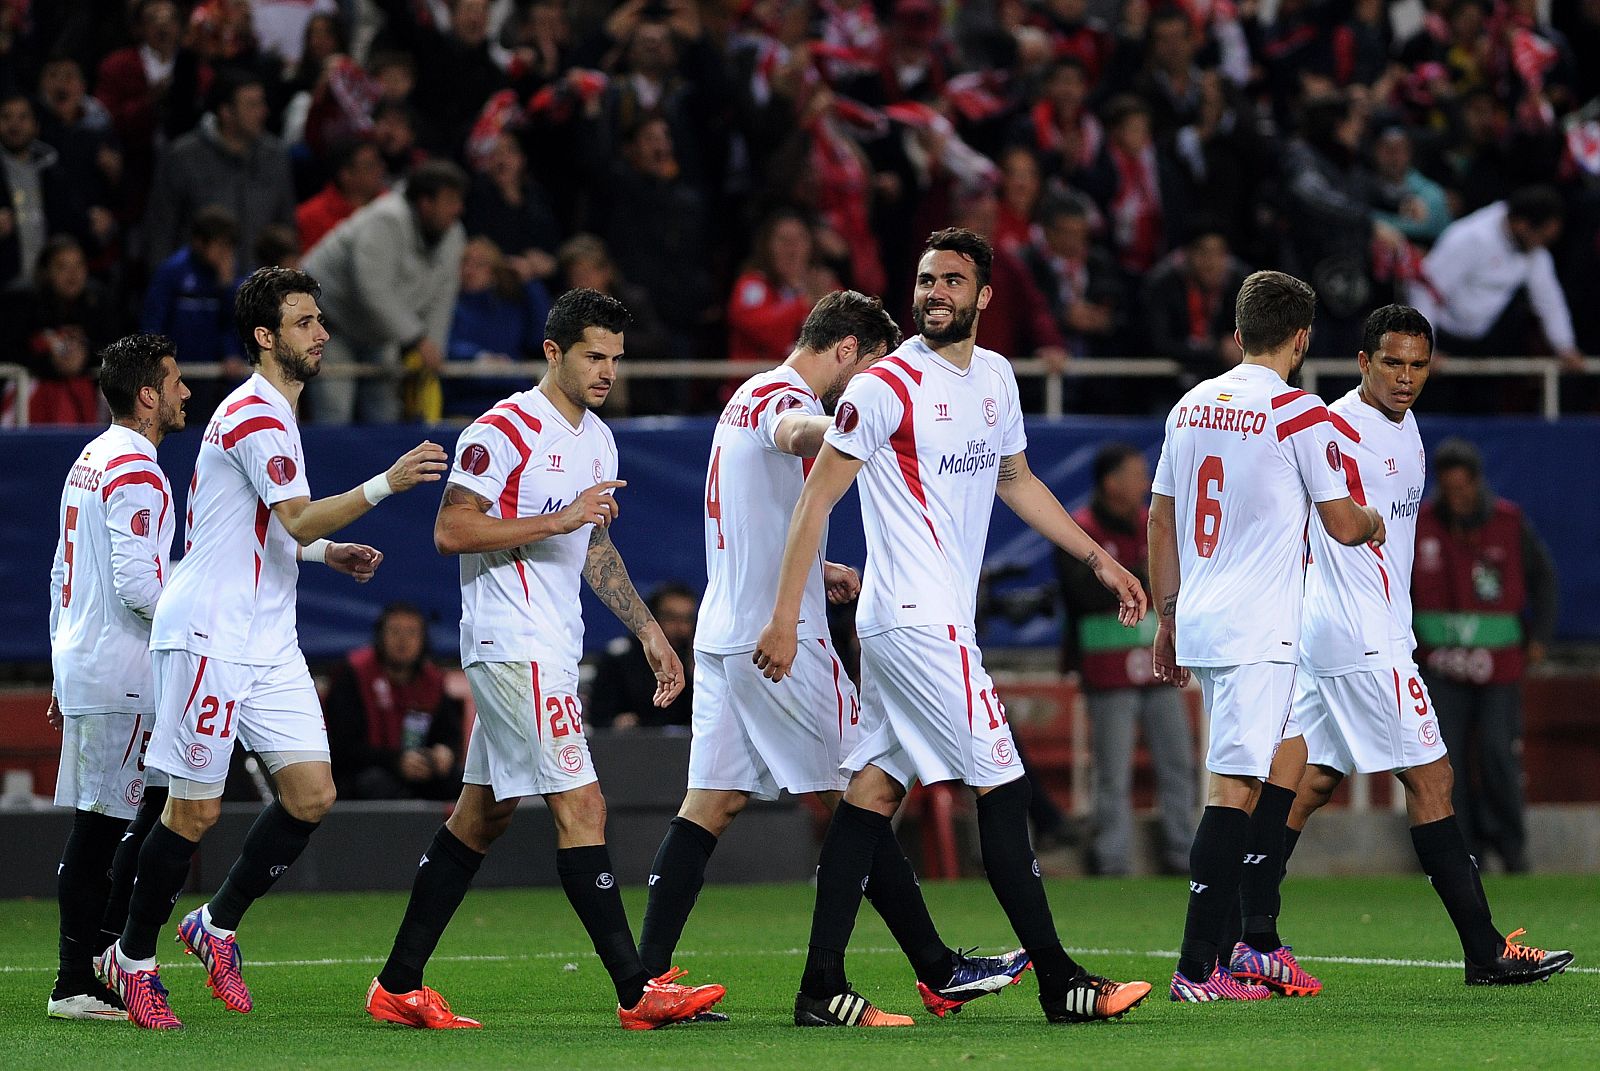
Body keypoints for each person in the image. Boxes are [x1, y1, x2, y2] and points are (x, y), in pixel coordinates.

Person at [754, 229, 1152, 1026]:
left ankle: (820, 985)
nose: (935, 291)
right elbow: (813, 503)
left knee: (870, 792)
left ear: (984, 297)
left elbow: (1017, 479)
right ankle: (1060, 981)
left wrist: (1099, 557)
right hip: (915, 622)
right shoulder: (883, 386)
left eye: (952, 280)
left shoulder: (998, 377)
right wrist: (786, 619)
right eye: (927, 278)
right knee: (1003, 786)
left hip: (930, 622)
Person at [640, 290, 1032, 1020]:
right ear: (848, 350)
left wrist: (819, 567)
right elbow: (797, 433)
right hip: (778, 640)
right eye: (872, 369)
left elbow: (751, 511)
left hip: (726, 628)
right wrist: (862, 423)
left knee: (712, 802)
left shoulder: (738, 398)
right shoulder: (780, 396)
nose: (871, 385)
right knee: (864, 792)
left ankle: (645, 983)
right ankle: (930, 968)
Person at [95, 267, 449, 1031]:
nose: (321, 333)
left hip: (268, 638)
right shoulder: (255, 412)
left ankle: (214, 924)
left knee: (312, 794)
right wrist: (386, 484)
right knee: (193, 813)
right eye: (304, 321)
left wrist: (328, 554)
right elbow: (290, 518)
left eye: (320, 319)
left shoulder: (278, 414)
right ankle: (131, 958)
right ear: (265, 336)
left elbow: (256, 530)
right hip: (211, 636)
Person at [366, 289, 725, 1031]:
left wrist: (652, 631)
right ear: (553, 351)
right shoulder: (502, 430)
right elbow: (452, 528)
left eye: (616, 359)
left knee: (482, 814)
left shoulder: (597, 438)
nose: (607, 372)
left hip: (551, 644)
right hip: (512, 639)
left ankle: (398, 983)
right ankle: (637, 989)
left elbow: (589, 544)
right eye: (595, 355)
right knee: (581, 803)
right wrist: (560, 515)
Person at [1228, 305, 1573, 994]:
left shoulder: (1405, 427)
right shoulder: (1332, 426)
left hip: (1344, 631)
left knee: (1309, 781)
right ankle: (1485, 950)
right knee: (1433, 779)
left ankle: (1251, 938)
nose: (1406, 377)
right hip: (1361, 636)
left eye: (1418, 364)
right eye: (1392, 362)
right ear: (1362, 362)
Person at [1147, 270, 1387, 1002]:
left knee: (1287, 755)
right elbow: (1345, 525)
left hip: (1208, 616)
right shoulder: (1300, 413)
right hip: (1259, 629)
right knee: (1235, 786)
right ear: (1303, 338)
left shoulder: (1190, 406)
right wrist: (1376, 518)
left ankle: (1252, 940)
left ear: (1237, 334)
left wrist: (1168, 615)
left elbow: (1161, 518)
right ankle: (1196, 968)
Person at [46, 334, 190, 1020]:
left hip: (90, 658)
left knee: (147, 806)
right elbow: (138, 584)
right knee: (106, 822)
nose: (185, 392)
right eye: (175, 380)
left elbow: (58, 573)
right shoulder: (135, 467)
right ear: (147, 394)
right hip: (122, 668)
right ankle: (76, 977)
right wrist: (198, 635)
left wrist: (58, 661)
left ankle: (101, 954)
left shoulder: (91, 457)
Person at [1413, 438, 1559, 874]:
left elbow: (1544, 579)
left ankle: (1512, 850)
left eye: (1462, 489)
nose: (1455, 499)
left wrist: (1541, 637)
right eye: (1448, 489)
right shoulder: (1421, 525)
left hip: (1499, 666)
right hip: (1439, 666)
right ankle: (1465, 854)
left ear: (1476, 484)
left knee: (1498, 753)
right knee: (1447, 761)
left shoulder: (1509, 523)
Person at [1056, 443, 1194, 877]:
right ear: (1110, 481)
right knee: (1111, 773)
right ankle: (1111, 859)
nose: (1146, 482)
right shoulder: (1080, 531)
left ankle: (1184, 853)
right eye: (1137, 474)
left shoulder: (1151, 527)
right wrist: (1131, 571)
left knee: (1178, 763)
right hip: (1107, 671)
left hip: (1157, 669)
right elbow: (1079, 593)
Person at [302, 159, 467, 423]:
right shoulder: (385, 219)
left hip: (379, 331)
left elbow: (442, 295)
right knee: (334, 412)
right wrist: (417, 339)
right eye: (450, 201)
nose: (457, 210)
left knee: (385, 413)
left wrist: (433, 346)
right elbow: (373, 290)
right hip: (330, 322)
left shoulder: (453, 234)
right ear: (425, 203)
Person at [1408, 185, 1584, 377]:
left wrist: (1565, 347)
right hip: (1443, 337)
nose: (1542, 245)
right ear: (1522, 225)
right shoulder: (1470, 238)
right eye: (1542, 237)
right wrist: (1425, 347)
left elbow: (1548, 299)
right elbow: (1424, 288)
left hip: (1484, 343)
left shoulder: (1534, 250)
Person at [143, 70, 296, 272]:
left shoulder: (275, 157)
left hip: (257, 291)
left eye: (262, 103)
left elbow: (286, 229)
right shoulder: (183, 157)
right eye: (252, 105)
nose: (263, 111)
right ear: (226, 112)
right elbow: (160, 232)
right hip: (197, 291)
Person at [324, 602, 464, 801]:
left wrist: (445, 752)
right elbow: (343, 747)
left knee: (460, 781)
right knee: (374, 784)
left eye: (411, 633)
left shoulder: (432, 681)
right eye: (395, 631)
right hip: (365, 772)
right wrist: (396, 762)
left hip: (420, 770)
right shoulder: (354, 674)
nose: (403, 640)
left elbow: (450, 734)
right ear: (380, 636)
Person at [587, 582, 697, 730]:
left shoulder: (695, 661)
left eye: (687, 619)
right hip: (630, 745)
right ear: (654, 616)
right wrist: (616, 723)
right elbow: (599, 717)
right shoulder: (619, 659)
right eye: (671, 617)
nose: (680, 628)